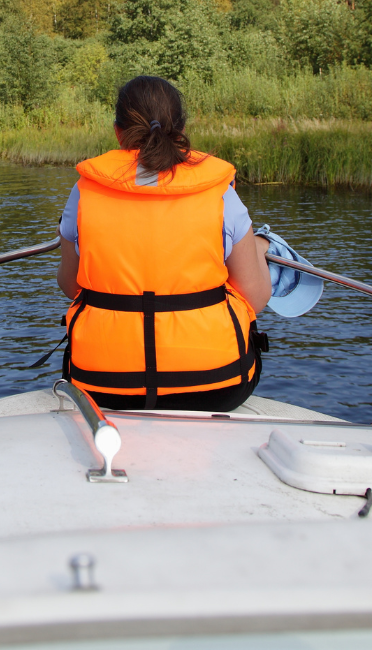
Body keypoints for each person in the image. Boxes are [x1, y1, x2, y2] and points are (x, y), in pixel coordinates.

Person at [56, 75, 272, 412]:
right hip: (216, 384)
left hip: (103, 386)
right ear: (182, 127)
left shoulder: (84, 192)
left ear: (118, 132)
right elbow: (255, 298)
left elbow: (71, 285)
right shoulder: (220, 194)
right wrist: (259, 248)